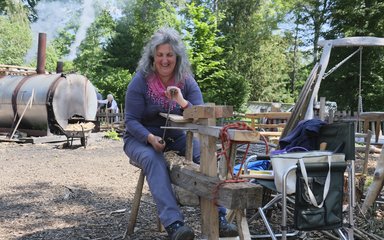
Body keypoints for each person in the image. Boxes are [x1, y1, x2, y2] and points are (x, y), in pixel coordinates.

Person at [123, 27, 238, 240]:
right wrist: (149, 138)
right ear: (152, 57)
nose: (165, 60)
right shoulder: (141, 80)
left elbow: (201, 113)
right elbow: (130, 121)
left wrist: (181, 101)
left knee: (205, 156)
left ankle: (219, 218)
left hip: (176, 137)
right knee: (153, 159)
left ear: (177, 57)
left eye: (169, 55)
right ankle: (174, 223)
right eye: (160, 55)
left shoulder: (186, 80)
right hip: (140, 138)